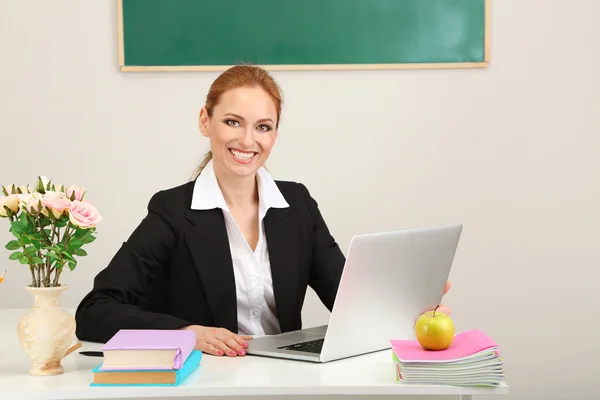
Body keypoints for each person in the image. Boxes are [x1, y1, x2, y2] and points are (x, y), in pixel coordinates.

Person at [75, 65, 451, 358]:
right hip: (207, 382)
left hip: (284, 379)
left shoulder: (298, 205)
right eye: (232, 122)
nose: (247, 140)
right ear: (205, 121)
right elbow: (93, 313)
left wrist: (410, 304)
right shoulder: (173, 211)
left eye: (263, 127)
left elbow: (347, 298)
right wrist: (187, 332)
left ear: (275, 134)